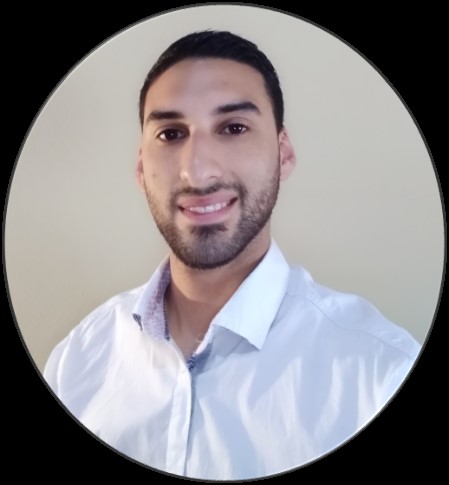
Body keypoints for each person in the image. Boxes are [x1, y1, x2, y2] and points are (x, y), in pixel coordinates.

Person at [44, 30, 421, 480]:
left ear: (283, 153)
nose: (197, 171)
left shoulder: (380, 374)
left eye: (234, 128)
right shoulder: (75, 363)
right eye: (170, 133)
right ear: (142, 168)